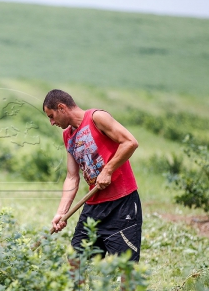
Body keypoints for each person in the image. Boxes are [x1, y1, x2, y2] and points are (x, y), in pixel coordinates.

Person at [44, 89, 142, 263]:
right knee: (76, 260)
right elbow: (72, 177)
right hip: (94, 206)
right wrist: (61, 213)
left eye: (51, 116)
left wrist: (108, 170)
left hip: (122, 203)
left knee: (125, 267)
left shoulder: (96, 118)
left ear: (61, 108)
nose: (51, 122)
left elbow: (130, 142)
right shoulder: (68, 136)